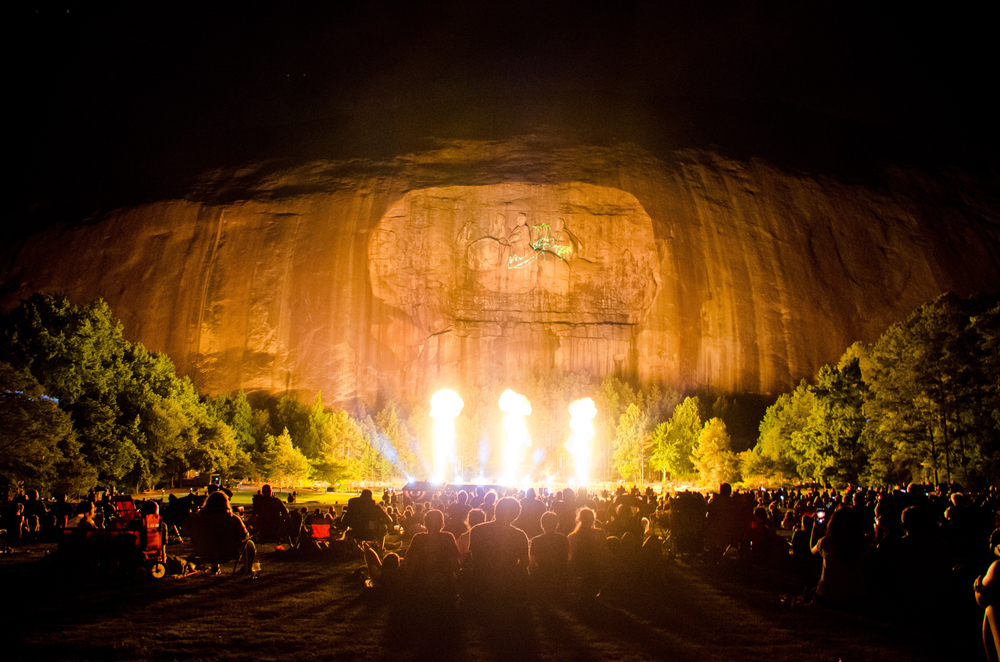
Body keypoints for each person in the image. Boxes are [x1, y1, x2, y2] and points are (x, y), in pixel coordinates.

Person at [466, 496, 529, 601]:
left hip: (481, 579)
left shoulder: (477, 530)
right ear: (516, 515)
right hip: (507, 581)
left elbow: (474, 556)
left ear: (496, 510)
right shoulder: (519, 535)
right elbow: (525, 563)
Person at [190, 491, 256, 574]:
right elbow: (245, 535)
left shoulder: (199, 519)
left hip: (204, 553)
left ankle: (215, 568)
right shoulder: (233, 519)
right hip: (228, 553)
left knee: (213, 540)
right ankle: (247, 568)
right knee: (250, 544)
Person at [401, 509, 461, 600]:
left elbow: (408, 560)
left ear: (425, 524)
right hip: (445, 583)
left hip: (420, 582)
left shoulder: (418, 538)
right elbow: (455, 561)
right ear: (442, 525)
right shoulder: (448, 538)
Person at [529, 511, 569, 599]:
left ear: (542, 525)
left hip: (542, 576)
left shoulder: (536, 540)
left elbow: (532, 562)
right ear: (557, 524)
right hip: (559, 576)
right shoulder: (564, 539)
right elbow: (566, 558)